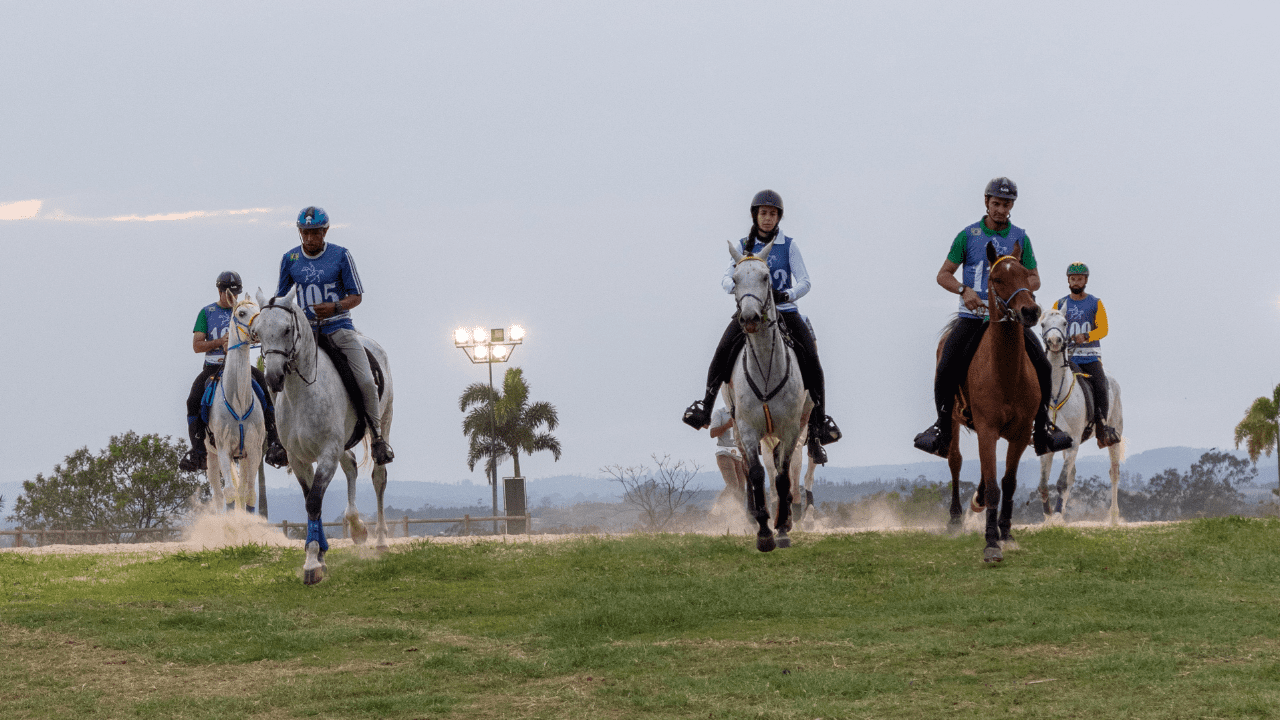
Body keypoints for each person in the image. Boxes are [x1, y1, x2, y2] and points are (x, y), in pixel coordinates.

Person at [912, 177, 1073, 458]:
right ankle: (942, 429)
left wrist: (1021, 291)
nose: (1001, 209)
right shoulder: (968, 236)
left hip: (1010, 318)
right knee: (947, 364)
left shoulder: (1020, 237)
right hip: (973, 316)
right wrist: (964, 291)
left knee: (1043, 367)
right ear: (987, 202)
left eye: (1006, 204)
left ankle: (1043, 428)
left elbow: (1034, 277)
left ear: (1012, 206)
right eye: (996, 203)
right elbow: (943, 274)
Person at [681, 189, 841, 464]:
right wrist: (734, 286)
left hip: (785, 312)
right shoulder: (743, 246)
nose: (767, 218)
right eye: (763, 213)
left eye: (772, 214)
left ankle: (818, 429)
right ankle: (704, 408)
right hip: (750, 312)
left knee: (813, 363)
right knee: (721, 352)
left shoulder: (788, 246)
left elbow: (805, 281)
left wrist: (787, 295)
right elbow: (725, 276)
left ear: (779, 217)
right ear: (755, 215)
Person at [276, 206, 394, 465]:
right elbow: (282, 300)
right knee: (275, 376)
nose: (309, 238)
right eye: (305, 233)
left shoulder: (341, 256)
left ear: (325, 231)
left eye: (315, 233)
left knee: (365, 381)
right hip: (304, 334)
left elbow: (356, 296)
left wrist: (335, 307)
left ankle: (377, 438)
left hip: (338, 328)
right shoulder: (290, 259)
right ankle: (279, 439)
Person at [179, 271, 288, 472]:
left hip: (241, 366)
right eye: (228, 292)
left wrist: (255, 338)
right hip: (214, 366)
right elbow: (197, 345)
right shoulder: (207, 312)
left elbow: (258, 331)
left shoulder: (244, 310)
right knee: (193, 399)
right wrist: (220, 342)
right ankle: (197, 452)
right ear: (220, 291)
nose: (232, 297)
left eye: (236, 293)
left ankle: (274, 442)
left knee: (267, 393)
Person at [1053, 263, 1121, 447]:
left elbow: (1104, 329)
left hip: (1090, 356)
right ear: (1068, 280)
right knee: (1045, 383)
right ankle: (1040, 427)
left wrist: (1088, 336)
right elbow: (1053, 326)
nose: (1076, 282)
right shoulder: (1059, 304)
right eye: (1073, 278)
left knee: (1100, 386)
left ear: (1086, 280)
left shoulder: (1095, 303)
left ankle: (1102, 429)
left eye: (1080, 279)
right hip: (1068, 358)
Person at [709, 403, 748, 496]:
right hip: (724, 452)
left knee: (741, 490)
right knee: (733, 485)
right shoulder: (720, 413)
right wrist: (727, 425)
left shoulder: (744, 413)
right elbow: (712, 433)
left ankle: (737, 510)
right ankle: (717, 509)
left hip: (739, 456)